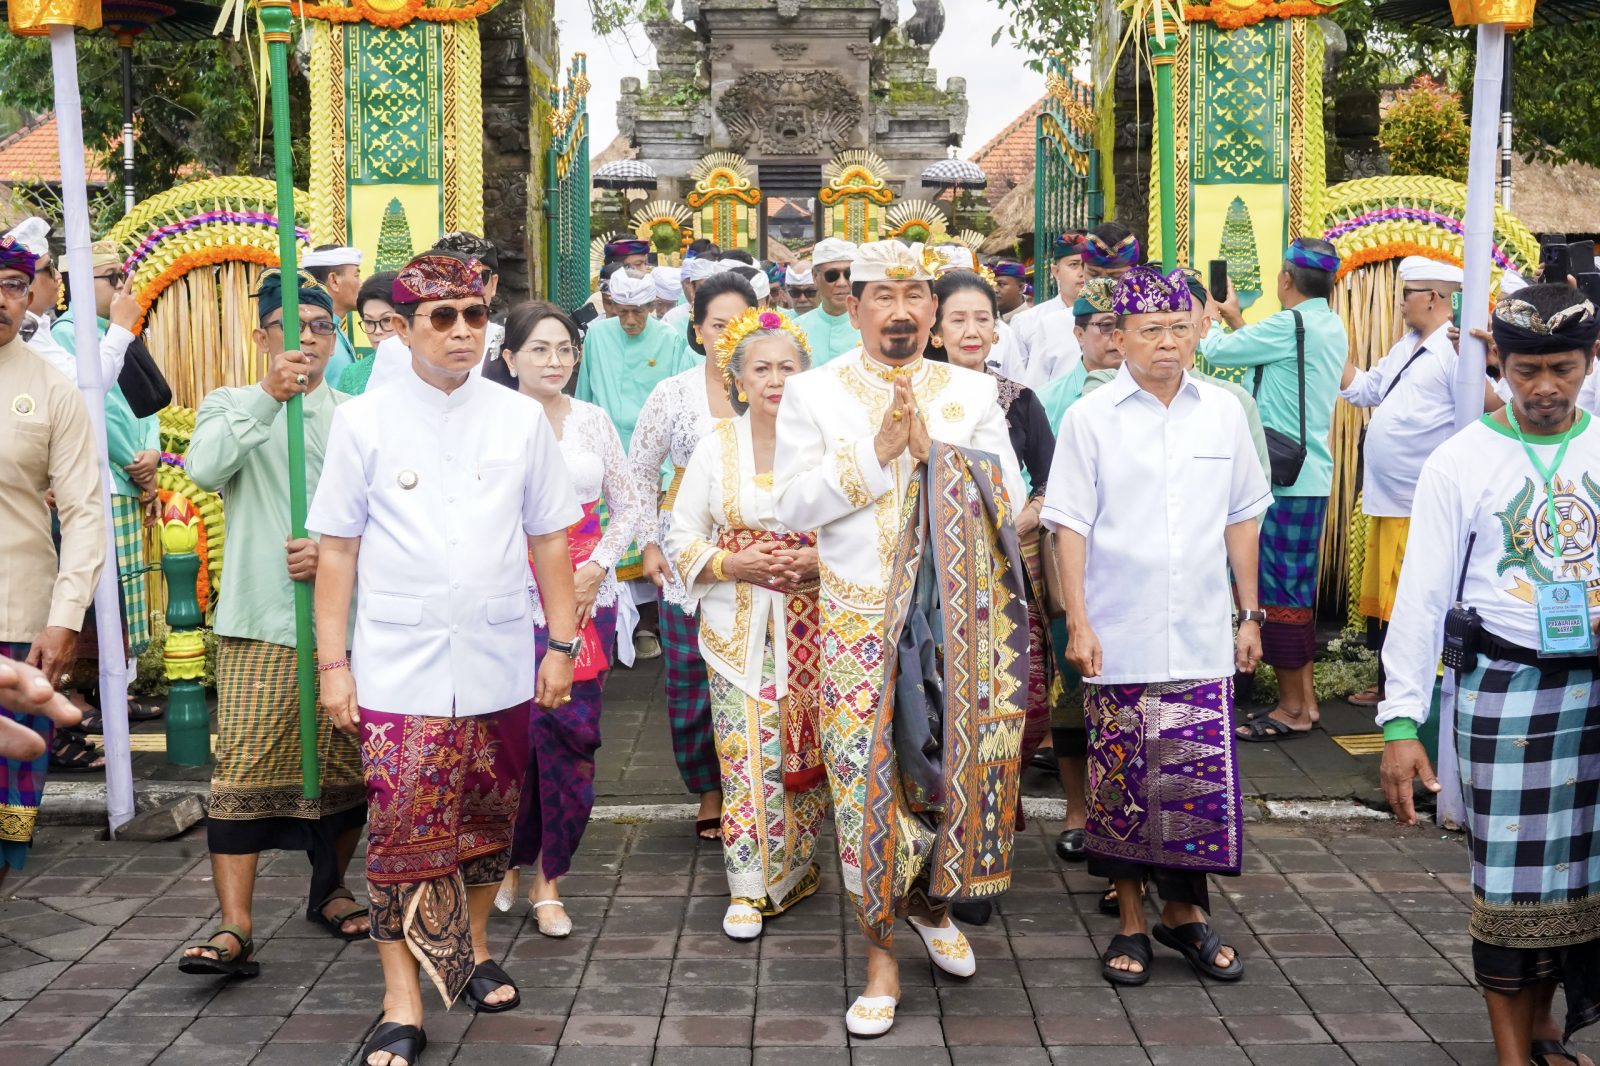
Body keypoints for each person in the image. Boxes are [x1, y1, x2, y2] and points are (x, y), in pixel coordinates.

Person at [310, 253, 581, 1066]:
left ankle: (469, 947)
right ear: (402, 326)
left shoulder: (519, 419)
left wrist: (561, 644)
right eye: (442, 317)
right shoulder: (364, 421)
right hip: (399, 664)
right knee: (400, 834)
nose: (463, 331)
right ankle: (402, 1002)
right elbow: (337, 550)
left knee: (487, 823)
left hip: (498, 658)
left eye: (475, 314)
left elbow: (550, 538)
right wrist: (333, 664)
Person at [774, 239, 1027, 1037]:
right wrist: (874, 456)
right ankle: (880, 958)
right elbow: (791, 505)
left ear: (933, 308)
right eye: (882, 295)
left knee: (948, 781)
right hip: (856, 621)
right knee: (865, 792)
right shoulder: (814, 393)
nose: (901, 310)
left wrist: (937, 458)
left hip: (954, 624)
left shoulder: (971, 390)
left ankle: (931, 905)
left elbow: (1010, 495)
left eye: (915, 293)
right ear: (853, 307)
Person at [1379, 282, 1600, 1066]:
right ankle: (1512, 1055)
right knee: (1511, 888)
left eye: (1562, 369)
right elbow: (1422, 598)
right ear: (1496, 361)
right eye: (1526, 369)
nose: (1545, 388)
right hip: (1505, 697)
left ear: (1591, 360)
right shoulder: (1460, 461)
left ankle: (1545, 1034)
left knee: (1579, 885)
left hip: (1596, 696)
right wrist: (1401, 723)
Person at [1045, 265, 1271, 989]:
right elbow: (1069, 527)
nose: (1168, 342)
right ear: (1119, 337)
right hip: (1119, 631)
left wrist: (1249, 614)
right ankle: (1132, 920)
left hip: (1201, 629)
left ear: (1199, 329)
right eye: (1151, 331)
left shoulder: (1223, 412)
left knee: (1191, 778)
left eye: (1180, 327)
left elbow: (1242, 518)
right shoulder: (1090, 418)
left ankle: (1185, 915)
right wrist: (1078, 623)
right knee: (1124, 780)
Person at [178, 269, 369, 978]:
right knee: (244, 770)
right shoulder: (230, 403)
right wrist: (269, 396)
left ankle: (331, 889)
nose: (308, 340)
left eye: (321, 327)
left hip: (346, 622)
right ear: (263, 338)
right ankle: (235, 925)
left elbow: (385, 516)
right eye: (290, 327)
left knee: (346, 767)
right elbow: (204, 469)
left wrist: (333, 553)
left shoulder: (356, 416)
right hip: (259, 619)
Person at [664, 306, 828, 938]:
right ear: (737, 380)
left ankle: (795, 869)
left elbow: (867, 529)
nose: (775, 379)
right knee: (745, 753)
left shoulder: (829, 446)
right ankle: (746, 884)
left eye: (787, 367)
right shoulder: (716, 447)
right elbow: (681, 535)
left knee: (805, 746)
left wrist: (817, 558)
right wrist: (731, 562)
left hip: (817, 624)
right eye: (760, 369)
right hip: (737, 627)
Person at [485, 301, 647, 937]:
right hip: (511, 603)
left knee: (572, 740)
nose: (554, 361)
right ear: (509, 358)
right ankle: (507, 859)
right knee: (515, 739)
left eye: (564, 350)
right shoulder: (490, 422)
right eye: (539, 349)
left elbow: (630, 506)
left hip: (583, 602)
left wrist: (599, 566)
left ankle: (550, 878)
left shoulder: (593, 421)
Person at [925, 265, 1055, 925]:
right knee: (939, 718)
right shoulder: (914, 394)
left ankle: (986, 847)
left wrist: (1019, 521)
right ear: (935, 331)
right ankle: (945, 855)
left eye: (983, 318)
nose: (972, 330)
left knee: (1012, 713)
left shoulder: (1018, 400)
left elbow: (1052, 481)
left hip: (1009, 572)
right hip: (932, 581)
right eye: (958, 319)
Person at [1202, 238, 1348, 742]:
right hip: (1310, 475)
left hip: (1283, 479)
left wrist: (1209, 316)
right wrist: (1236, 319)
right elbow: (1272, 352)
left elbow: (1214, 349)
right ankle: (1305, 703)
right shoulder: (1327, 324)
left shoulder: (1289, 325)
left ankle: (1291, 708)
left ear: (1286, 278)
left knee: (1280, 594)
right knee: (1296, 593)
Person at [632, 271, 758, 839]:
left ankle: (757, 785)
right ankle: (711, 789)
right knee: (691, 676)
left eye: (740, 323)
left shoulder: (777, 386)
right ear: (697, 328)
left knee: (757, 670)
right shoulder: (673, 393)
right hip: (687, 548)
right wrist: (649, 544)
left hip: (759, 548)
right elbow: (639, 471)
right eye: (717, 325)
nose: (729, 336)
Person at [1340, 257, 1492, 707]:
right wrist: (1330, 355)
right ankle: (1389, 686)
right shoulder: (1405, 345)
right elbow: (1366, 389)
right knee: (1389, 598)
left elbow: (1487, 408)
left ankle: (1412, 691)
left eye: (1406, 293)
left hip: (1419, 501)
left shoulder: (1456, 350)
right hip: (1390, 498)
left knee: (1413, 597)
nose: (1400, 302)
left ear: (1432, 297)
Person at [0, 235, 105, 883]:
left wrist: (65, 618)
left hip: (18, 622)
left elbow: (85, 511)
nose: (1, 299)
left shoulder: (51, 389)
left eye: (12, 286)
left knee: (9, 801)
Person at [52, 243, 160, 758]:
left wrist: (151, 453)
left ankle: (115, 688)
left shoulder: (117, 330)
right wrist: (131, 460)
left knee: (124, 589)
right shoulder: (65, 334)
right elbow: (93, 411)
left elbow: (148, 398)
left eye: (123, 276)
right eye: (111, 277)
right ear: (76, 282)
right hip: (100, 478)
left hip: (127, 476)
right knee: (93, 591)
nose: (121, 286)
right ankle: (78, 692)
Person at [574, 269, 698, 451]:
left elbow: (679, 402)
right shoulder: (597, 335)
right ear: (614, 306)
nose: (630, 320)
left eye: (637, 311)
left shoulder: (670, 339)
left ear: (651, 307)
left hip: (653, 446)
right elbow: (583, 395)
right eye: (623, 311)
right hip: (603, 444)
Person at [1005, 231, 1088, 389]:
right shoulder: (1027, 322)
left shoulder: (1108, 318)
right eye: (1074, 265)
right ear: (1056, 272)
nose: (1082, 273)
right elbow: (1015, 380)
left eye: (1087, 265)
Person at [794, 238, 861, 365]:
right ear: (815, 277)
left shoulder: (872, 328)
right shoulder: (795, 331)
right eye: (832, 275)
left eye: (848, 274)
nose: (842, 283)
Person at [303, 245, 363, 384]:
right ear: (334, 281)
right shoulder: (314, 335)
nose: (361, 283)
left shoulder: (334, 329)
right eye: (357, 276)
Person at [336, 271, 401, 396]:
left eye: (387, 320)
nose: (377, 331)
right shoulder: (352, 376)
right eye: (369, 322)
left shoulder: (429, 370)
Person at [663, 254, 722, 333]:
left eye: (715, 288)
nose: (710, 294)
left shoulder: (734, 321)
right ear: (693, 289)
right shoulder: (672, 320)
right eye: (704, 288)